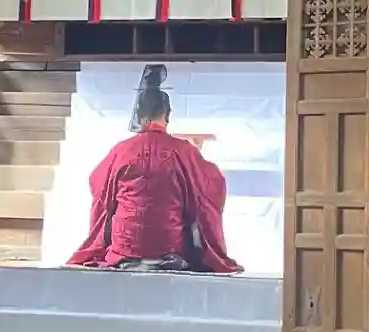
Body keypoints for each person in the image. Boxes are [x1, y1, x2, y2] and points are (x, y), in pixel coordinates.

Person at [69, 65, 241, 274]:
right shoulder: (184, 151)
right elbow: (212, 185)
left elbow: (99, 186)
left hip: (125, 252)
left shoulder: (121, 151)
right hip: (170, 252)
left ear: (140, 116)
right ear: (167, 115)